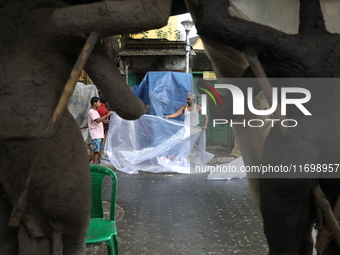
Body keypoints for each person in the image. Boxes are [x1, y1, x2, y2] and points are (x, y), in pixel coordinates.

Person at [88, 97, 112, 164]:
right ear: (94, 103)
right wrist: (107, 115)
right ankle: (87, 164)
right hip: (95, 134)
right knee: (95, 151)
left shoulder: (95, 111)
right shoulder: (91, 112)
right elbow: (97, 120)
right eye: (98, 102)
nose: (99, 104)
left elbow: (98, 120)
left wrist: (104, 121)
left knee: (97, 151)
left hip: (99, 134)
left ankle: (94, 164)